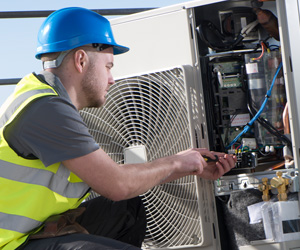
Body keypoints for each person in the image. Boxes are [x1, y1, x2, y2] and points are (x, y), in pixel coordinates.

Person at [0, 7, 237, 250]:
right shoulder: (45, 109)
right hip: (10, 245)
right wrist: (177, 163)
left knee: (124, 209)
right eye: (108, 67)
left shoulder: (47, 101)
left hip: (31, 235)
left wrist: (187, 164)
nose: (112, 79)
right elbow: (117, 184)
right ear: (81, 60)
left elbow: (110, 177)